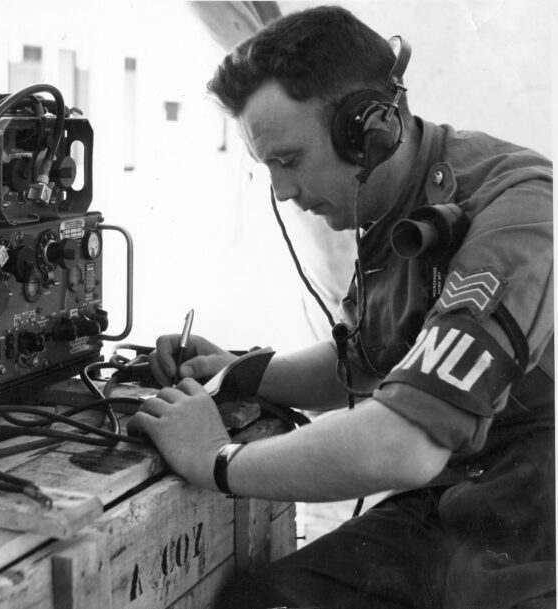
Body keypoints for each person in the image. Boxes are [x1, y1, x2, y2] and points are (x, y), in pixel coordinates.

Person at [127, 6, 554, 609]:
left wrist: (217, 459)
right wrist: (239, 371)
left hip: (539, 523)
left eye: (289, 159)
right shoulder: (385, 207)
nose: (282, 191)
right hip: (463, 499)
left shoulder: (521, 211)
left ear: (367, 129)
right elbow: (370, 360)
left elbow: (406, 443)